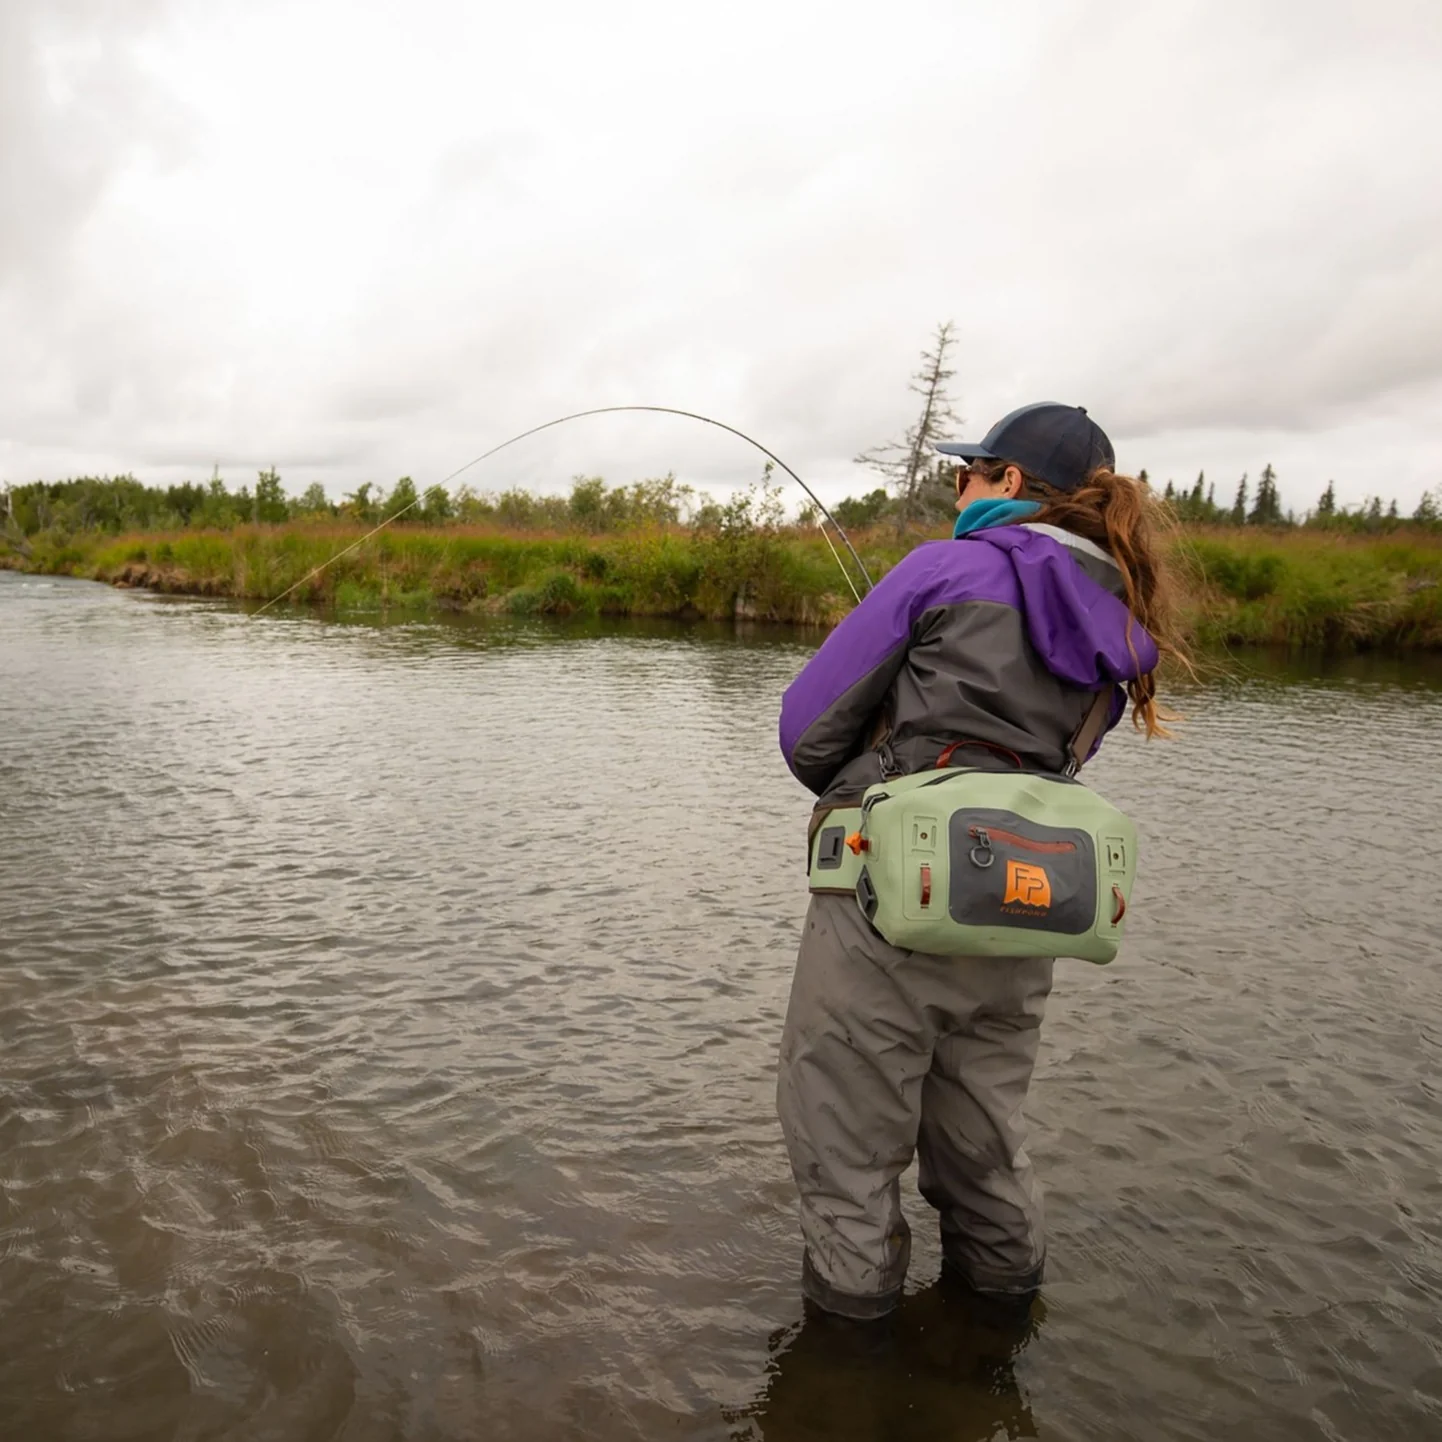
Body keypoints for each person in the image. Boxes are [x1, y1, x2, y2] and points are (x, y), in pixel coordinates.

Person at [775, 401, 1188, 1323]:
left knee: (847, 1152)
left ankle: (848, 1377)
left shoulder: (943, 568)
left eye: (968, 472)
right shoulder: (1121, 620)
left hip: (889, 905)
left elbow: (805, 732)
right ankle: (1000, 1339)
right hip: (1025, 908)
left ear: (1009, 484)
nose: (955, 485)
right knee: (983, 1145)